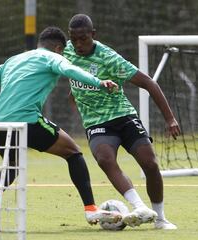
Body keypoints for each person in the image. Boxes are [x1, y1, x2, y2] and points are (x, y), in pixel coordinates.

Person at [0, 26, 121, 228]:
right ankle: (90, 210)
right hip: (27, 121)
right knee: (73, 153)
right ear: (59, 48)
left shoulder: (13, 60)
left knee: (12, 164)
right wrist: (99, 82)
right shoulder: (53, 58)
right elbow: (70, 70)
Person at [63, 14, 181, 230]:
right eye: (74, 39)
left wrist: (170, 118)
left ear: (93, 35)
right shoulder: (65, 51)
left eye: (83, 39)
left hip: (123, 116)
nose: (78, 44)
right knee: (104, 159)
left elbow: (148, 83)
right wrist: (77, 104)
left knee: (151, 165)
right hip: (97, 123)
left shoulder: (109, 58)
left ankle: (161, 218)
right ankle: (139, 207)